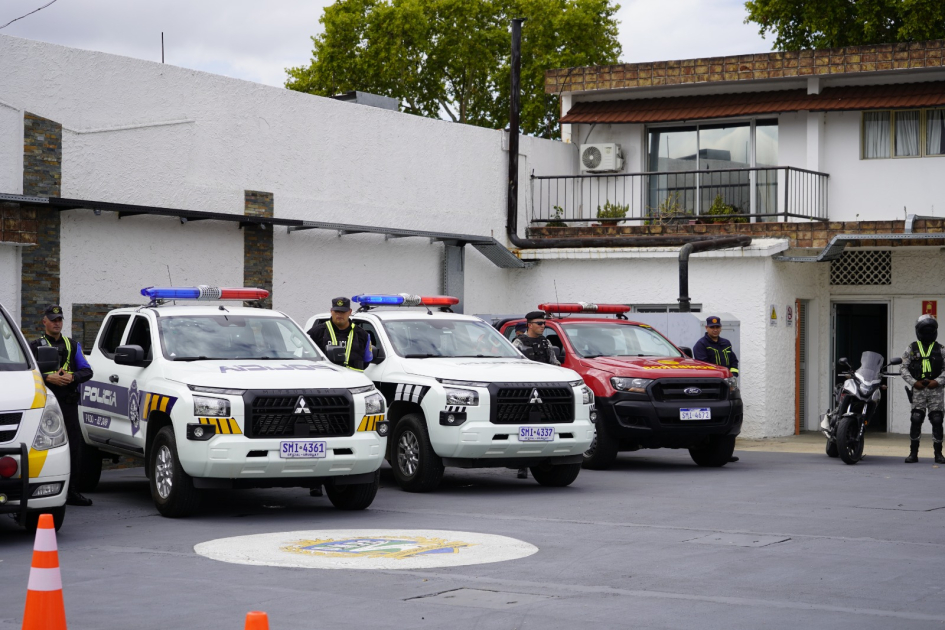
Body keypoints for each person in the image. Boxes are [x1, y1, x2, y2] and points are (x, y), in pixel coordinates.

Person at [28, 304, 94, 506]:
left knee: (73, 448)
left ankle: (71, 491)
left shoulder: (73, 345)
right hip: (43, 405)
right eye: (53, 319)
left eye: (59, 320)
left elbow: (87, 371)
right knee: (43, 448)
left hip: (68, 404)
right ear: (44, 321)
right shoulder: (34, 346)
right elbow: (28, 373)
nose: (57, 323)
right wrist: (49, 378)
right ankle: (42, 491)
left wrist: (72, 377)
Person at [693, 316, 740, 462]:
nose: (715, 329)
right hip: (710, 387)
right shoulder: (700, 345)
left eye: (717, 327)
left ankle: (724, 451)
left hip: (726, 386)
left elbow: (733, 360)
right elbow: (703, 366)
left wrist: (733, 374)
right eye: (712, 327)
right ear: (706, 328)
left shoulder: (725, 343)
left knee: (728, 417)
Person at [900, 314, 945, 464]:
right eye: (924, 330)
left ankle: (938, 454)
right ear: (918, 331)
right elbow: (903, 368)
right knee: (916, 418)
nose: (927, 333)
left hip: (935, 390)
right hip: (919, 388)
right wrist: (913, 382)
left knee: (937, 419)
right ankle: (913, 453)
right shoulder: (912, 348)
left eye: (930, 330)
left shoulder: (941, 349)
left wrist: (937, 381)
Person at [307, 297, 373, 372]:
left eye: (343, 312)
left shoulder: (362, 334)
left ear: (350, 311)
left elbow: (367, 361)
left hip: (354, 380)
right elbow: (305, 358)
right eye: (336, 311)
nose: (339, 314)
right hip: (326, 379)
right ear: (331, 311)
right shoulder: (316, 332)